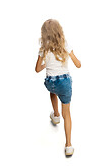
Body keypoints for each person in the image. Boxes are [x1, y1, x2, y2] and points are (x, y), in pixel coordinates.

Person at [35, 19, 81, 156]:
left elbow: (37, 69)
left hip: (50, 82)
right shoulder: (65, 45)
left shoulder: (43, 48)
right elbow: (78, 64)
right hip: (64, 82)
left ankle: (55, 116)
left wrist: (46, 65)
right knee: (67, 114)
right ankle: (68, 145)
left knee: (52, 91)